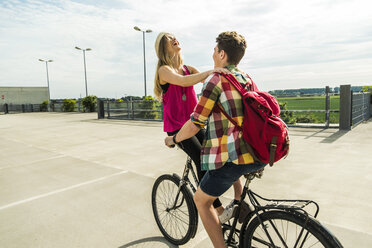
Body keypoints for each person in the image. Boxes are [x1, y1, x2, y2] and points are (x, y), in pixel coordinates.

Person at [165, 31, 266, 247]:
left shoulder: (216, 80)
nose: (212, 54)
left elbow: (195, 124)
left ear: (221, 54)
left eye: (213, 50)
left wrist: (174, 139)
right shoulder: (246, 78)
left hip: (236, 156)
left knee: (201, 201)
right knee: (223, 171)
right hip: (259, 151)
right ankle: (238, 205)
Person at [154, 32, 238, 220]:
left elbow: (206, 80)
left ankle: (237, 200)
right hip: (177, 128)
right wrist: (211, 71)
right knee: (202, 160)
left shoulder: (186, 68)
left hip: (195, 124)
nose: (174, 38)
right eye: (168, 38)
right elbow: (184, 82)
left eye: (174, 36)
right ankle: (219, 211)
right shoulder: (164, 70)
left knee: (219, 153)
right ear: (162, 47)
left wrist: (225, 73)